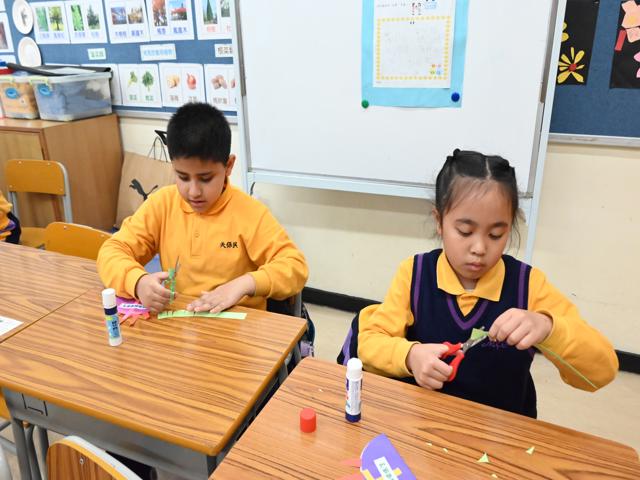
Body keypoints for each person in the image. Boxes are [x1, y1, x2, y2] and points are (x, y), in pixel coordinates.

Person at [339, 149, 618, 418]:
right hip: (424, 424)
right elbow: (368, 343)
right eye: (465, 231)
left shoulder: (528, 285)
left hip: (502, 433)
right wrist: (409, 355)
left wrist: (548, 327)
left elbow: (601, 372)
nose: (479, 248)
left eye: (496, 234)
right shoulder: (415, 273)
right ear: (439, 222)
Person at [97, 102, 308, 314]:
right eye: (182, 177)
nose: (194, 191)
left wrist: (244, 284)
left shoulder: (249, 213)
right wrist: (138, 282)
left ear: (228, 166)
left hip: (239, 323)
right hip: (181, 321)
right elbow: (112, 251)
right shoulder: (162, 204)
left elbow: (295, 266)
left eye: (205, 179)